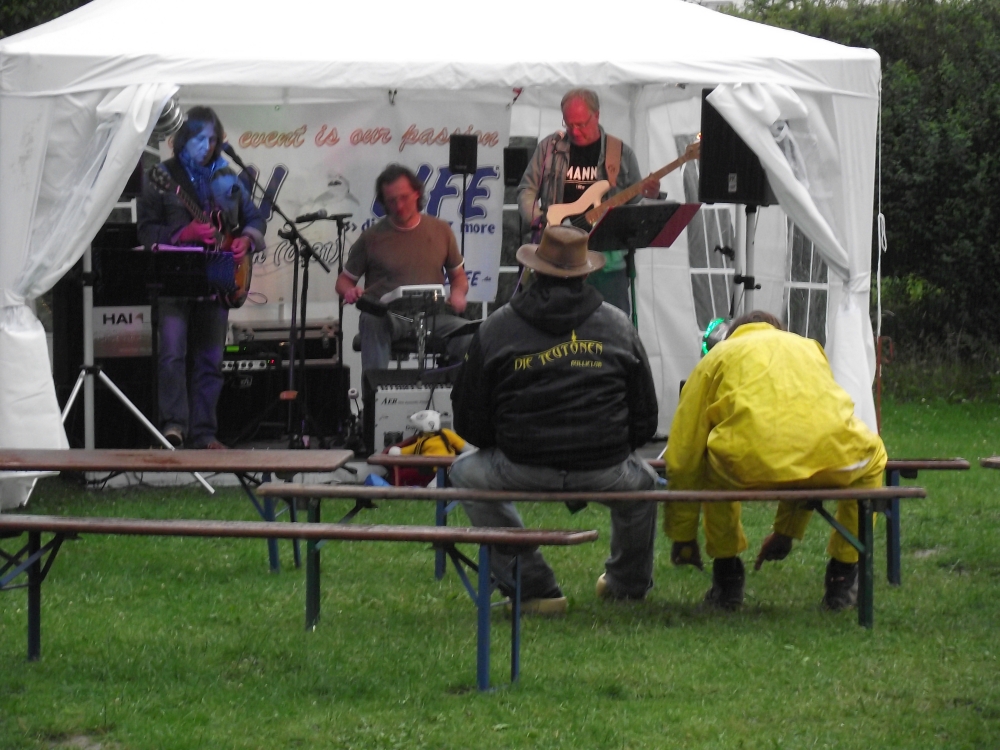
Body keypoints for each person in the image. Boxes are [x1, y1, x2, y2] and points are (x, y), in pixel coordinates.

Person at [449, 225, 660, 615]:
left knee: (464, 471)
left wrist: (510, 442)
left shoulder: (497, 326)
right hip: (604, 467)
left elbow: (468, 418)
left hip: (521, 464)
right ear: (585, 274)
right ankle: (627, 584)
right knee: (644, 485)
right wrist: (610, 447)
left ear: (533, 271)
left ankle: (533, 586)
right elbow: (646, 416)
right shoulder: (618, 324)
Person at [663, 311, 887, 611]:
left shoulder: (717, 357)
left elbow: (683, 454)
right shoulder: (809, 348)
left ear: (734, 333)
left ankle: (727, 575)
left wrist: (683, 535)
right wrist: (786, 532)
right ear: (778, 330)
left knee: (711, 463)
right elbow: (802, 438)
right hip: (833, 459)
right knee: (872, 459)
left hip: (744, 466)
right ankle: (843, 574)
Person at [137, 106, 266, 449]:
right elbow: (145, 232)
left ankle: (205, 433)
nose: (207, 146)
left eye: (212, 139)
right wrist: (184, 234)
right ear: (183, 139)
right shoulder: (161, 177)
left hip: (218, 276)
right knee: (172, 356)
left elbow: (255, 219)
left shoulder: (228, 177)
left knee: (211, 361)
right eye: (199, 139)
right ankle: (174, 427)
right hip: (174, 280)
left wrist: (246, 239)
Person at [516, 88, 660, 314]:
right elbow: (527, 189)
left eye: (581, 124)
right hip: (557, 259)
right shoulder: (549, 149)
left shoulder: (620, 153)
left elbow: (635, 206)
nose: (575, 131)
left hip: (606, 264)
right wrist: (538, 220)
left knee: (610, 324)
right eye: (569, 124)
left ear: (597, 115)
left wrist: (650, 196)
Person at [335, 164, 470, 373]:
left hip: (433, 317)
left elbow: (458, 276)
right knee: (371, 320)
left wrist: (459, 293)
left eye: (404, 197)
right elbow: (343, 281)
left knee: (470, 334)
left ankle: (460, 390)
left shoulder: (441, 230)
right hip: (387, 318)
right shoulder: (372, 237)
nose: (399, 206)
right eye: (391, 200)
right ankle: (375, 390)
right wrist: (349, 291)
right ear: (384, 202)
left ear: (417, 193)